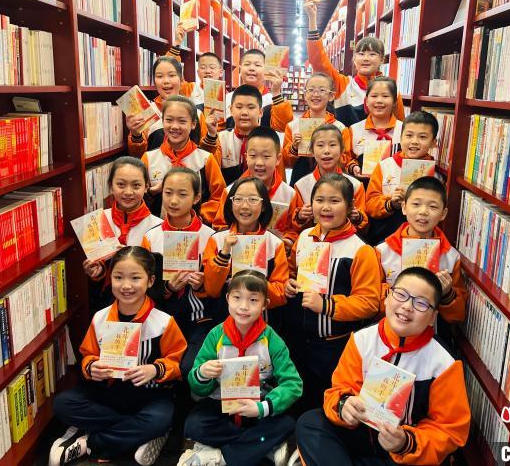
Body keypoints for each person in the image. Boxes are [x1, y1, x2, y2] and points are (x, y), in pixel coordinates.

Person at [295, 267, 471, 465]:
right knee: (310, 423)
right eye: (401, 295)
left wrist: (405, 442)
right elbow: (339, 388)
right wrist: (345, 406)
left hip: (404, 454)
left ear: (432, 317)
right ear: (387, 298)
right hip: (363, 435)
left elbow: (450, 429)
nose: (407, 306)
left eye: (421, 303)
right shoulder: (362, 340)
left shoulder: (444, 363)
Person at [49, 247, 187, 466]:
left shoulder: (163, 321)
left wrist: (155, 369)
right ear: (110, 278)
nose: (126, 285)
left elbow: (177, 363)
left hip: (149, 395)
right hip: (108, 393)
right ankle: (139, 434)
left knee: (161, 417)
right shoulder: (101, 317)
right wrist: (92, 367)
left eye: (135, 278)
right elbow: (88, 354)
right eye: (118, 277)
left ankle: (90, 441)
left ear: (150, 281)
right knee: (63, 404)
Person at [178, 270, 302, 466]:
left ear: (265, 304)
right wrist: (202, 374)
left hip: (257, 406)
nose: (244, 306)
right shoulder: (215, 335)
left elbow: (293, 384)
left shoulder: (272, 340)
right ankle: (261, 447)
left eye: (253, 300)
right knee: (193, 425)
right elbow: (197, 386)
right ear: (228, 298)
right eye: (237, 298)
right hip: (221, 403)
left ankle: (218, 456)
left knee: (287, 424)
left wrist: (262, 408)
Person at [284, 174, 381, 413]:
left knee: (325, 404)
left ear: (349, 206)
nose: (325, 207)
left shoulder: (361, 250)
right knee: (297, 399)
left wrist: (326, 305)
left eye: (334, 201)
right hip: (298, 340)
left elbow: (369, 303)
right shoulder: (304, 237)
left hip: (335, 345)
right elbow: (291, 271)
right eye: (319, 200)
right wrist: (288, 283)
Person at [141, 167, 217, 377]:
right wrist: (167, 288)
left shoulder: (211, 237)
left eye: (182, 194)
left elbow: (218, 287)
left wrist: (201, 285)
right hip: (161, 317)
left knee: (189, 367)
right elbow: (144, 285)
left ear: (196, 198)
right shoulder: (151, 237)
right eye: (168, 193)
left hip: (199, 318)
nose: (173, 201)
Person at [377, 177, 467, 333]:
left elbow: (457, 315)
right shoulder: (383, 251)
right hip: (388, 331)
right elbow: (372, 300)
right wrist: (397, 294)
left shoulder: (451, 257)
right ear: (404, 207)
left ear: (443, 213)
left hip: (431, 334)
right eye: (416, 204)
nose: (423, 212)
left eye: (433, 206)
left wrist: (447, 294)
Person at [305, 0, 405, 127]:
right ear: (354, 59)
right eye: (361, 54)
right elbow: (318, 61)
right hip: (346, 140)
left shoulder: (392, 90)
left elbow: (400, 127)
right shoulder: (343, 84)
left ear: (382, 59)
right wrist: (312, 19)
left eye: (372, 54)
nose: (366, 58)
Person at [202, 177, 289, 320]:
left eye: (253, 200)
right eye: (238, 199)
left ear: (264, 206)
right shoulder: (217, 240)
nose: (244, 206)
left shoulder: (275, 244)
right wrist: (224, 254)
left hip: (263, 322)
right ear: (230, 203)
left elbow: (281, 294)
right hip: (224, 321)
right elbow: (211, 290)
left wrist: (251, 284)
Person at [83, 156, 162, 313]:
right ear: (110, 186)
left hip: (146, 309)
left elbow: (160, 282)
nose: (128, 192)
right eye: (121, 184)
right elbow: (93, 286)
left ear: (146, 186)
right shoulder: (96, 223)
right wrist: (97, 273)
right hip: (105, 308)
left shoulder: (158, 227)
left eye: (136, 185)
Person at [141, 95, 225, 223]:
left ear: (193, 124)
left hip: (196, 227)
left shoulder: (205, 159)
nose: (175, 126)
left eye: (182, 121)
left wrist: (200, 215)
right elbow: (138, 198)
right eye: (169, 120)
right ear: (162, 122)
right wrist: (152, 192)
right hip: (157, 228)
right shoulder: (149, 158)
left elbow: (219, 197)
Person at [213, 126, 297, 250]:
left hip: (274, 254)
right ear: (246, 157)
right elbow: (220, 226)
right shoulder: (230, 192)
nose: (259, 163)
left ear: (278, 159)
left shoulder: (289, 194)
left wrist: (288, 240)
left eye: (266, 156)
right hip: (239, 252)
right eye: (253, 155)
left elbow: (293, 229)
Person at [365, 110, 438, 246]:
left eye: (422, 137)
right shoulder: (385, 166)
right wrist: (391, 203)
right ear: (400, 137)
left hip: (421, 241)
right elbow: (370, 204)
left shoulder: (436, 175)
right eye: (409, 135)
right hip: (385, 237)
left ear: (433, 142)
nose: (414, 142)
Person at [289, 124, 367, 236]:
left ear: (342, 149)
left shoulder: (355, 185)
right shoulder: (301, 186)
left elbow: (363, 226)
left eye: (332, 145)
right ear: (311, 150)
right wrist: (301, 217)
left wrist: (357, 217)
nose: (326, 151)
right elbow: (294, 227)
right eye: (320, 145)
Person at [202, 85, 287, 183]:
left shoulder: (270, 141)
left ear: (260, 112)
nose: (244, 112)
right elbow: (210, 171)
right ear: (231, 110)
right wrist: (211, 135)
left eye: (251, 107)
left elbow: (280, 182)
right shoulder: (221, 139)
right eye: (239, 107)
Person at [282, 72, 351, 185]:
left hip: (331, 182)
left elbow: (346, 160)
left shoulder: (340, 128)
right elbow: (286, 163)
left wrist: (331, 153)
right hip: (300, 181)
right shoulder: (292, 126)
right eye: (311, 90)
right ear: (305, 94)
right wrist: (294, 148)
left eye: (322, 90)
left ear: (331, 96)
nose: (315, 94)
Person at [345, 77, 404, 180]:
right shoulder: (354, 130)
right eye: (374, 96)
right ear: (366, 101)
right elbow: (346, 159)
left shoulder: (404, 130)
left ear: (395, 101)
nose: (379, 100)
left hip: (395, 187)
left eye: (385, 96)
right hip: (363, 185)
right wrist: (353, 167)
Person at [127, 56, 186, 157]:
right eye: (159, 76)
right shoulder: (146, 113)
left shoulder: (195, 112)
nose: (166, 81)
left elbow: (206, 154)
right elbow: (138, 156)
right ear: (154, 82)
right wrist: (136, 135)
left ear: (181, 79)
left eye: (171, 75)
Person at [223, 49, 293, 132]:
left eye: (257, 65)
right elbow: (219, 128)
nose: (251, 68)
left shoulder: (273, 100)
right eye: (247, 64)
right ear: (240, 68)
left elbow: (283, 127)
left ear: (266, 70)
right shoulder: (227, 98)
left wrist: (276, 92)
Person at [167, 23, 225, 107]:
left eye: (212, 67)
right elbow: (170, 70)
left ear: (221, 72)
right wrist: (177, 43)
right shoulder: (190, 89)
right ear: (198, 72)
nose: (207, 71)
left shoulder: (228, 96)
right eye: (203, 67)